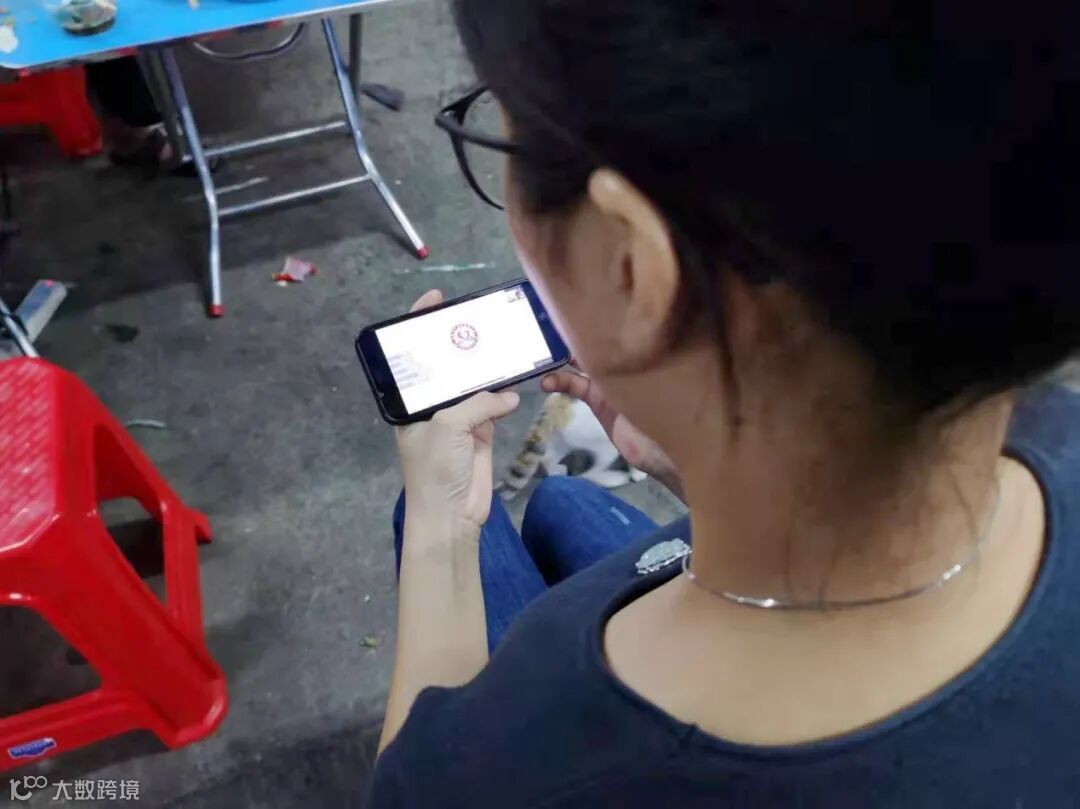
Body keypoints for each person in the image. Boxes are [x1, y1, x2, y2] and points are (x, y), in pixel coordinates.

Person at [370, 2, 1080, 806]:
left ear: (633, 264)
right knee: (564, 504)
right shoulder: (1057, 433)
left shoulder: (495, 774)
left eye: (501, 137)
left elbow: (412, 783)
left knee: (490, 522)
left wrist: (439, 526)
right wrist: (700, 457)